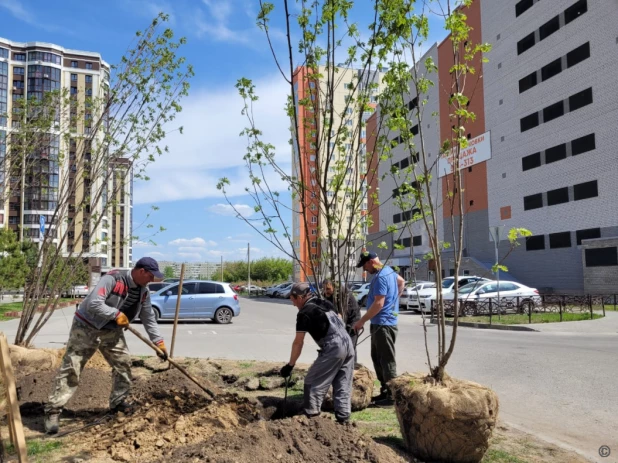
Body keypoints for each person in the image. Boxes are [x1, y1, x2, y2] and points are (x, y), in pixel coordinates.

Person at [44, 257, 168, 434]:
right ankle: (53, 411)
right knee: (72, 366)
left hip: (111, 331)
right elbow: (94, 302)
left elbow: (148, 317)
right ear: (142, 271)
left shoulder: (144, 292)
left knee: (123, 364)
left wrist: (159, 343)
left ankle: (118, 403)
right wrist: (116, 314)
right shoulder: (113, 279)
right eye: (150, 276)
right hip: (86, 326)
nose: (151, 280)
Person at [280, 282, 355, 424]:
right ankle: (344, 420)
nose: (293, 304)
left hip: (334, 346)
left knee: (312, 381)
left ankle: (312, 419)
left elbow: (298, 342)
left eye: (293, 300)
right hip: (347, 343)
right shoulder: (324, 303)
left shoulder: (304, 313)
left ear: (300, 297)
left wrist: (290, 365)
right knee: (342, 383)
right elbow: (339, 317)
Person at [353, 252, 405, 406]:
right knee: (377, 358)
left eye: (365, 265)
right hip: (380, 322)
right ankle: (385, 391)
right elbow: (402, 282)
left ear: (370, 262)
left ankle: (391, 397)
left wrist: (361, 321)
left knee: (386, 360)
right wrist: (394, 301)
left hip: (384, 324)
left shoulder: (381, 276)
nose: (365, 269)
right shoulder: (389, 271)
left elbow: (378, 304)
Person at [321, 280, 361, 364]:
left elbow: (343, 314)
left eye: (328, 289)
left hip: (352, 322)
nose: (325, 291)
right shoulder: (327, 295)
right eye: (324, 289)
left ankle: (352, 366)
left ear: (334, 288)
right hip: (341, 322)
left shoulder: (343, 295)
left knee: (350, 346)